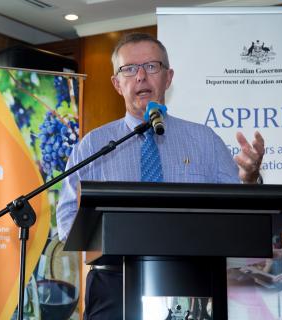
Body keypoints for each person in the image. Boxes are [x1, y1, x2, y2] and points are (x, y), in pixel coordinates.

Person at [56, 32, 265, 320]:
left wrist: (249, 178)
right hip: (114, 285)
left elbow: (238, 213)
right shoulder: (93, 145)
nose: (141, 76)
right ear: (117, 84)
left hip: (193, 282)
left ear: (168, 77)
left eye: (152, 66)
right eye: (129, 69)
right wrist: (106, 238)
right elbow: (67, 216)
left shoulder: (204, 140)